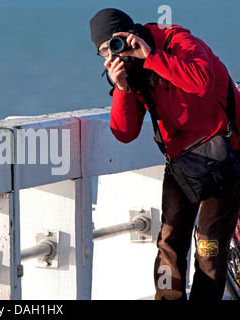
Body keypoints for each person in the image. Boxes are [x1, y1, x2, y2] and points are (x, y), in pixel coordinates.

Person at [89, 8, 240, 300]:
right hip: (182, 162)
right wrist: (121, 88)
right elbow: (124, 133)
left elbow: (202, 82)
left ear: (130, 32)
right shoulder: (130, 72)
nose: (114, 53)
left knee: (209, 248)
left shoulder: (178, 44)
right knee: (169, 244)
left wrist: (151, 56)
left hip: (224, 153)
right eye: (104, 50)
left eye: (116, 42)